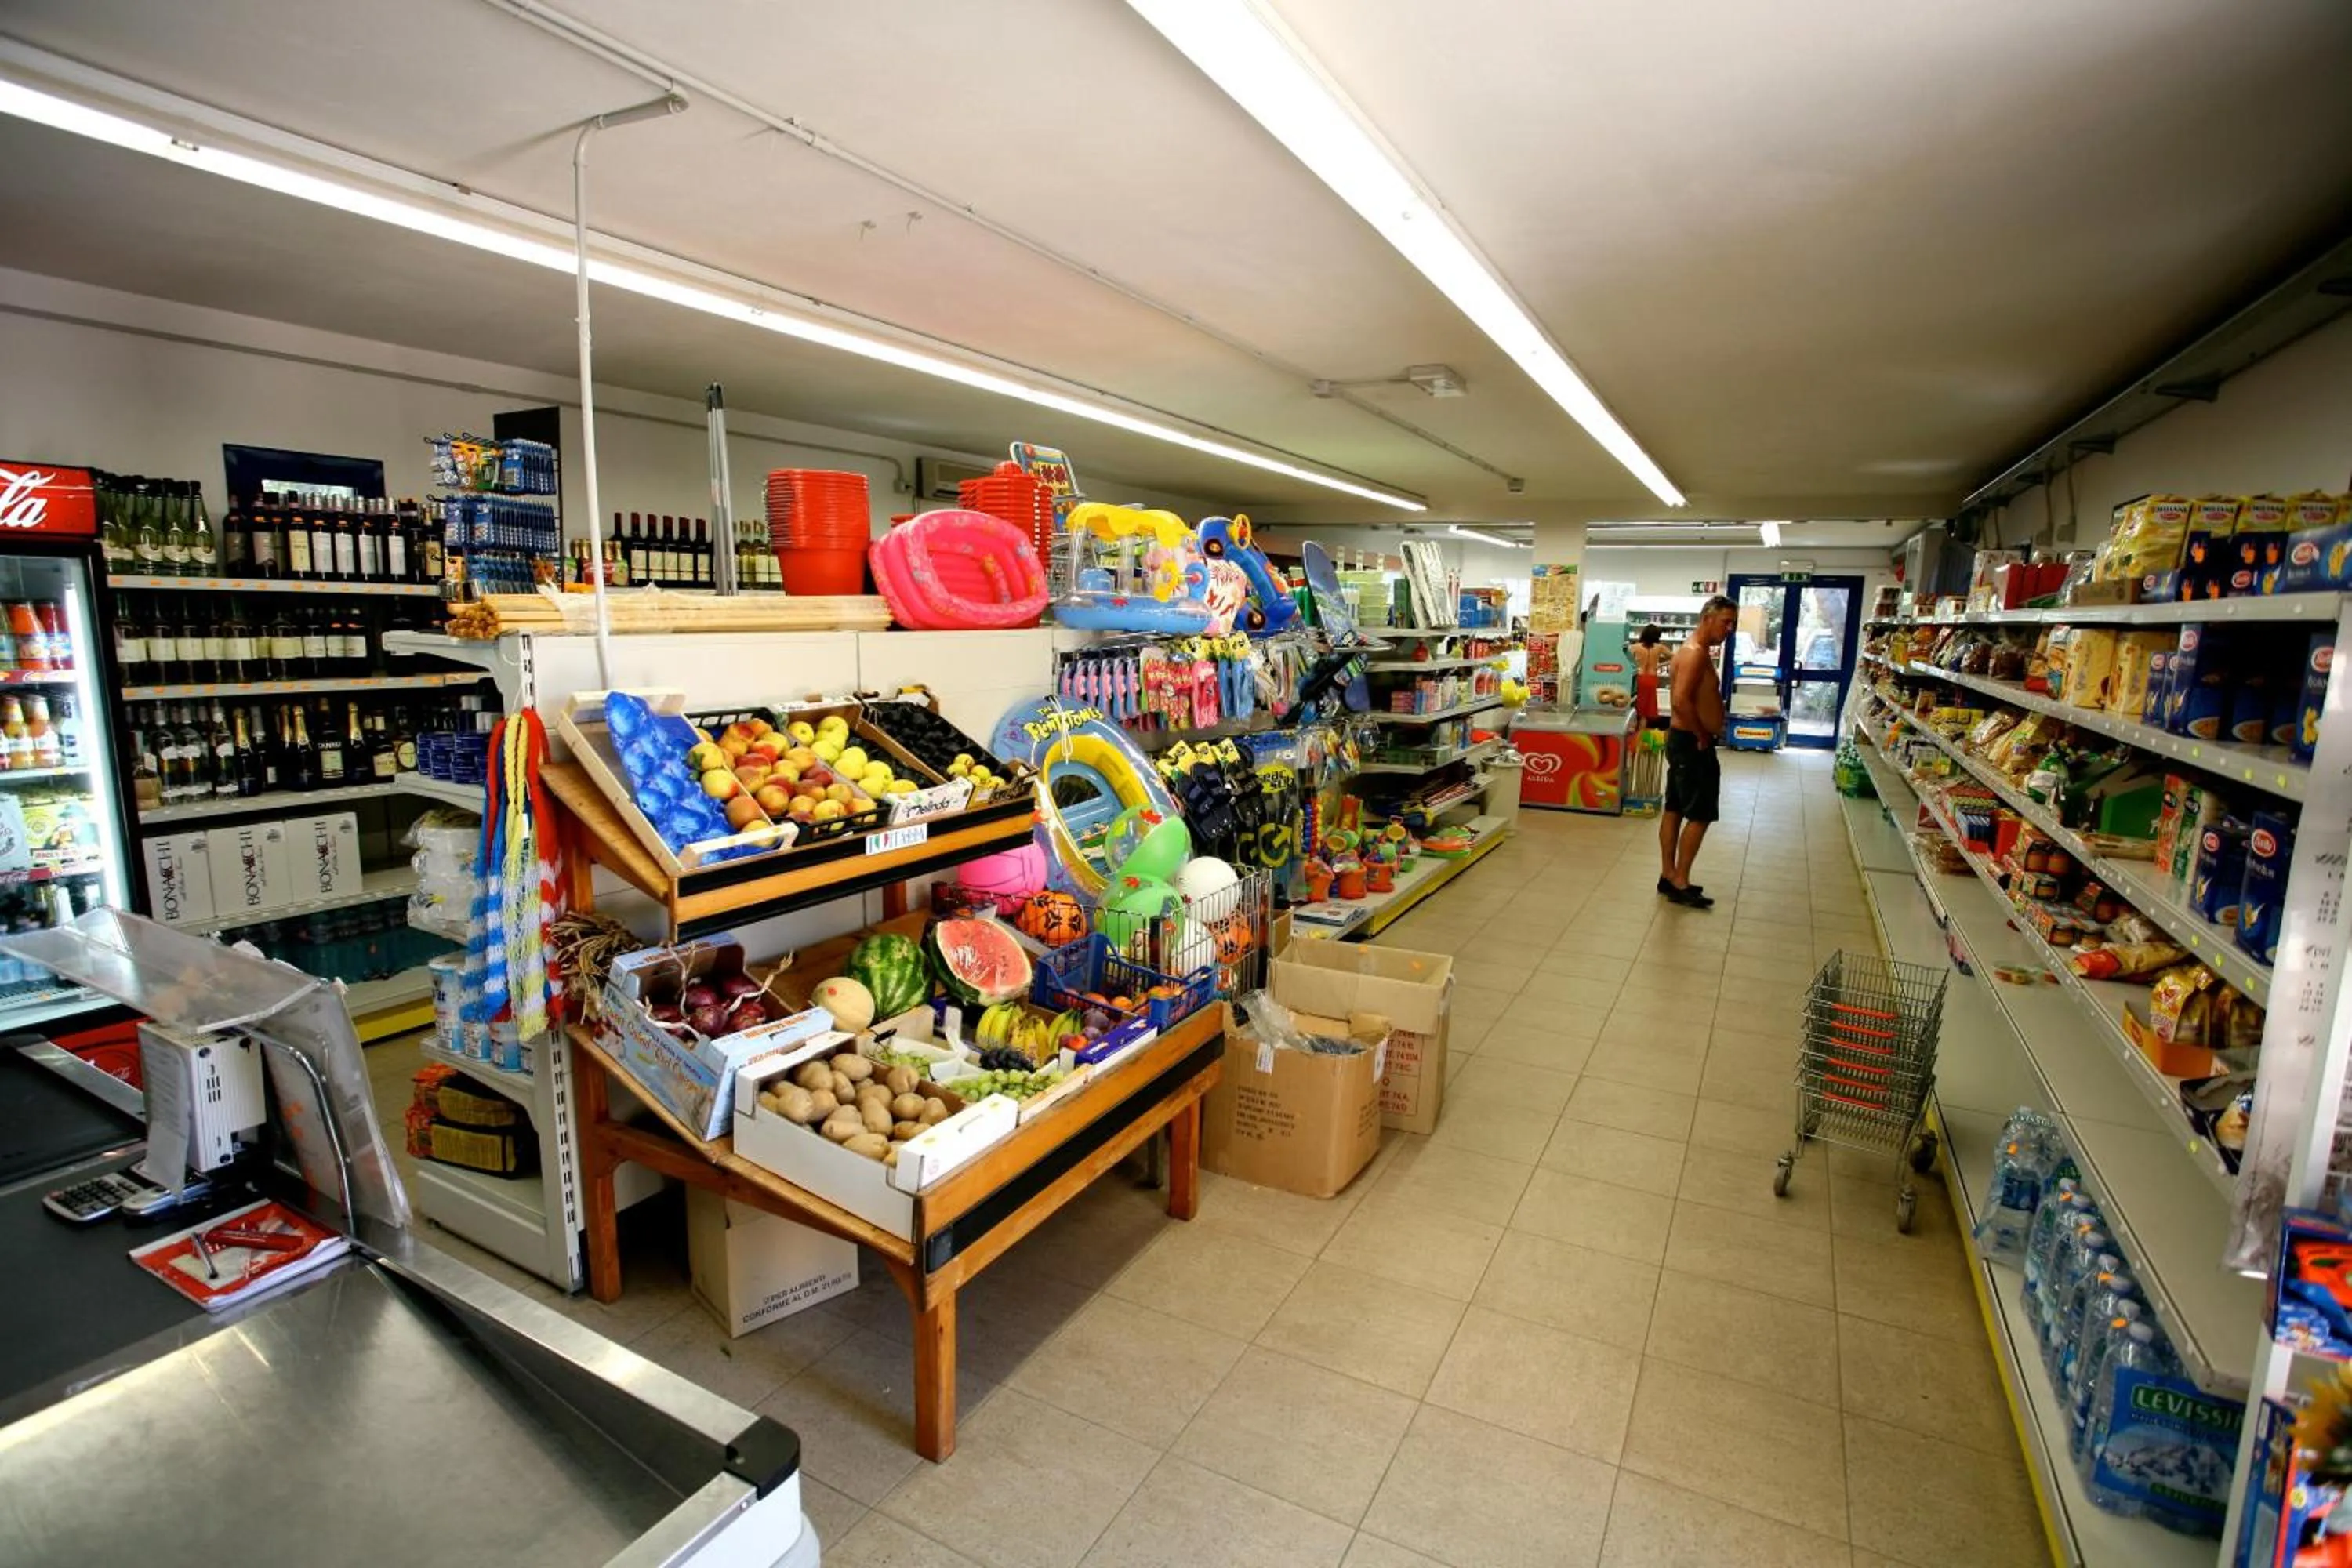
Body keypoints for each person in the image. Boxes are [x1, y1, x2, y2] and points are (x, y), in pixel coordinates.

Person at [1660, 595, 1736, 908]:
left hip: (1683, 740)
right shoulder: (1694, 654)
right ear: (1707, 617)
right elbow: (1680, 701)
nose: (1729, 628)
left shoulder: (1695, 650)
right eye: (1725, 622)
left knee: (1675, 809)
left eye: (1733, 623)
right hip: (1692, 743)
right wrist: (1703, 734)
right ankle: (1680, 880)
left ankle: (1668, 875)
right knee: (1701, 814)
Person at [1629, 623, 1669, 730]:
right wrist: (1661, 665)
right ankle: (1641, 738)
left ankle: (1633, 737)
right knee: (1645, 712)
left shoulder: (1635, 647)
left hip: (1639, 678)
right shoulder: (1660, 648)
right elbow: (1675, 657)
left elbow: (1625, 660)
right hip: (1652, 679)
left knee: (1636, 708)